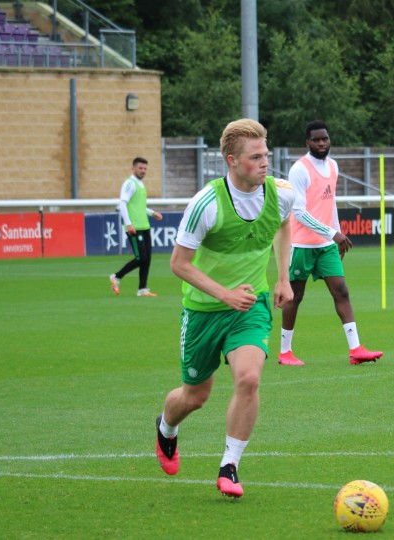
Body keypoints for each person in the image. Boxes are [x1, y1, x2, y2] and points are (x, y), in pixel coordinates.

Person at [153, 119, 294, 498]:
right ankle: (166, 428)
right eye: (255, 157)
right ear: (232, 161)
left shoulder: (280, 194)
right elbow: (179, 264)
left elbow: (285, 225)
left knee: (249, 378)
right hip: (202, 311)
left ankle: (229, 466)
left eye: (266, 154)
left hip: (251, 305)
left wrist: (283, 278)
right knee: (194, 396)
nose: (265, 163)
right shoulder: (206, 204)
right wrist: (224, 294)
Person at [277, 120, 383, 366]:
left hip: (325, 245)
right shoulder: (299, 169)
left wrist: (337, 232)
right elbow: (299, 212)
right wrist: (331, 233)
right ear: (307, 142)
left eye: (325, 139)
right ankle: (285, 353)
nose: (321, 143)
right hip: (301, 245)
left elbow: (330, 203)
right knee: (295, 296)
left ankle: (356, 349)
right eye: (316, 140)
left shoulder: (333, 166)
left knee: (341, 291)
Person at [109, 157, 162, 297]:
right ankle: (117, 276)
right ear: (133, 168)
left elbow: (139, 207)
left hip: (144, 226)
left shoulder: (141, 185)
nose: (143, 171)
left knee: (147, 258)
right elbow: (122, 203)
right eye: (140, 168)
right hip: (134, 227)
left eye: (145, 168)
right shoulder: (130, 183)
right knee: (141, 258)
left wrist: (152, 213)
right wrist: (129, 223)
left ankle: (142, 289)